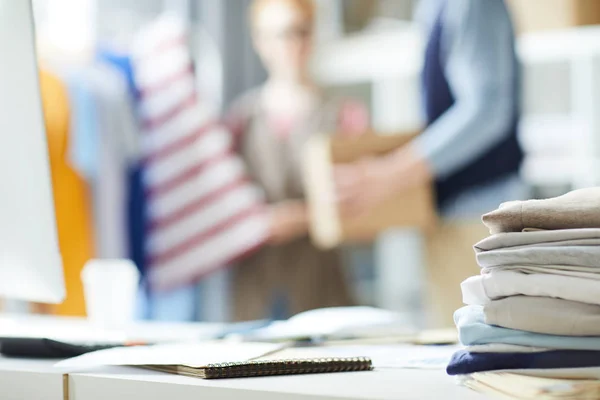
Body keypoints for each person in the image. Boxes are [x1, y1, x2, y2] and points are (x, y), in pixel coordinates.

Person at [226, 0, 368, 321]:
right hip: (254, 296)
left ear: (313, 34)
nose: (290, 45)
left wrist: (301, 218)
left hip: (323, 294)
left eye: (300, 31)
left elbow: (368, 219)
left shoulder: (345, 117)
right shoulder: (239, 122)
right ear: (259, 41)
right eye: (278, 34)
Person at [335, 0, 526, 219]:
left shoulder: (470, 5)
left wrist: (392, 172)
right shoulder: (431, 6)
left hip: (482, 203)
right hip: (451, 204)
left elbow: (487, 111)